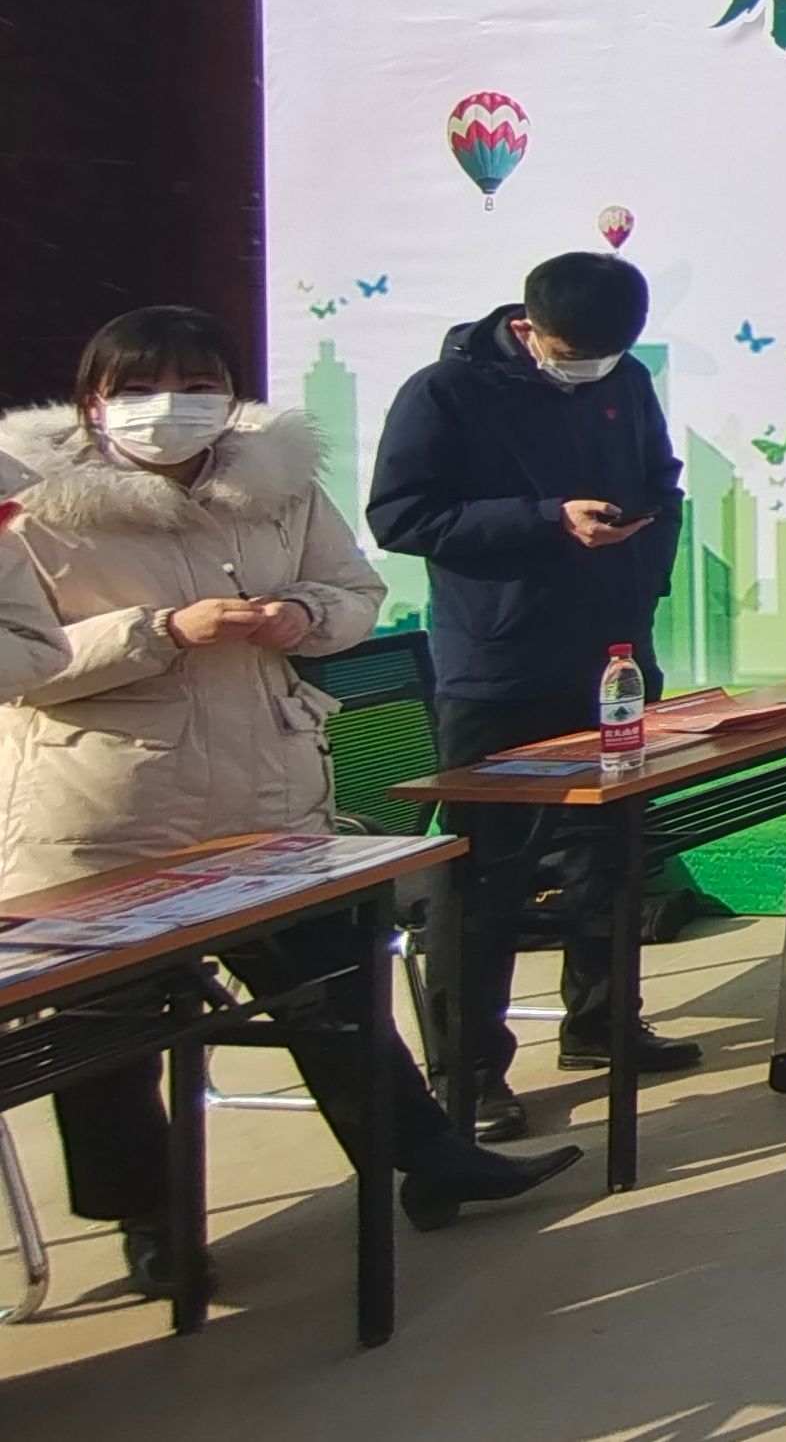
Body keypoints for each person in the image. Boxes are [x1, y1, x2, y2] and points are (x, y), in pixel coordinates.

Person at [0, 307, 580, 1291]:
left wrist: (302, 614)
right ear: (92, 401)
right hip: (104, 810)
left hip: (263, 797)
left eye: (197, 385)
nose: (169, 407)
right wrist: (160, 630)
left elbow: (356, 593)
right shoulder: (30, 508)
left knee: (333, 991)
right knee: (110, 1035)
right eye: (139, 388)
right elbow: (22, 662)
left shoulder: (277, 487)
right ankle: (150, 1221)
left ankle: (430, 1159)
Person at [366, 253, 700, 1142]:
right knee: (487, 876)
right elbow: (401, 516)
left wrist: (641, 562)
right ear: (528, 327)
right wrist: (548, 517)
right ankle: (469, 1074)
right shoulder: (444, 392)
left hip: (613, 659)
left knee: (610, 852)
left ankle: (603, 1021)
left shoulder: (624, 380)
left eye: (609, 354)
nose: (592, 367)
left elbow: (661, 482)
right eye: (574, 352)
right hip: (499, 668)